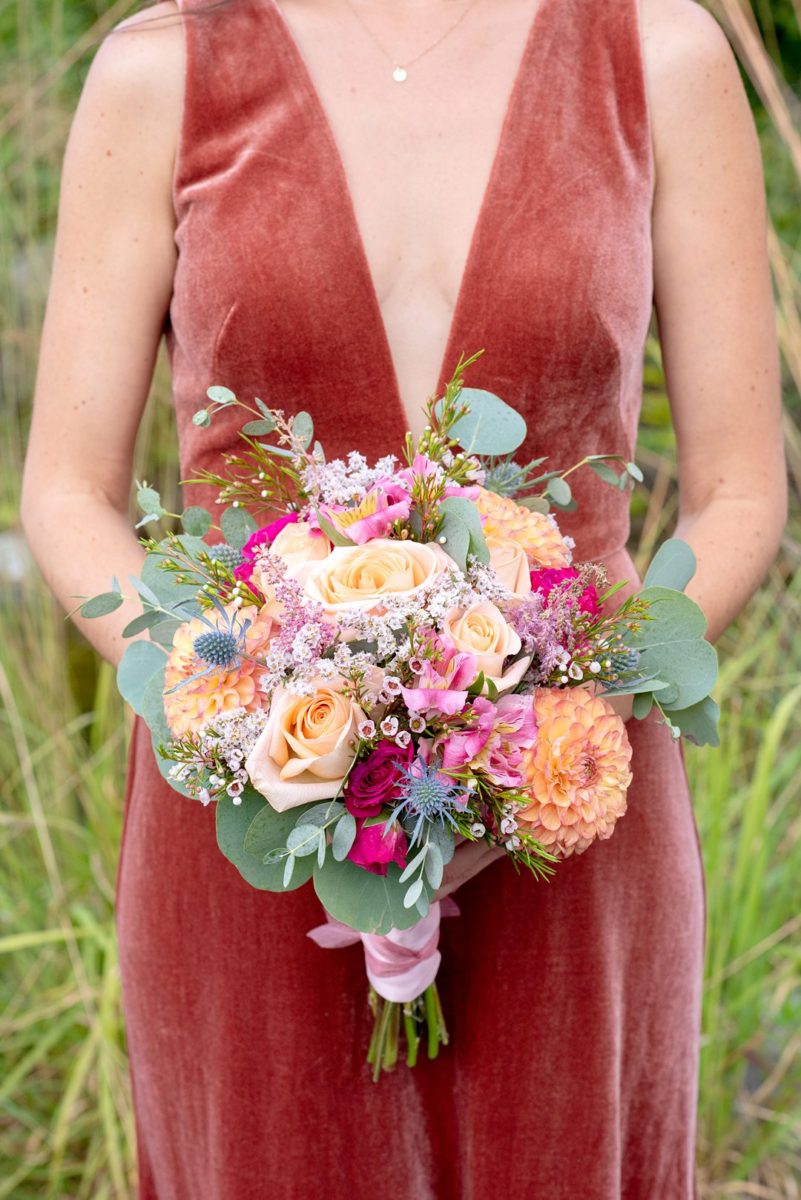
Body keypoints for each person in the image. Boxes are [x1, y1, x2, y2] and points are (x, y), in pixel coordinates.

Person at [21, 0, 786, 1196]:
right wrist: (249, 725)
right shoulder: (162, 70)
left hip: (566, 820)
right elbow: (68, 497)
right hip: (254, 833)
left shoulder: (658, 56)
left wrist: (536, 725)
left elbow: (739, 492)